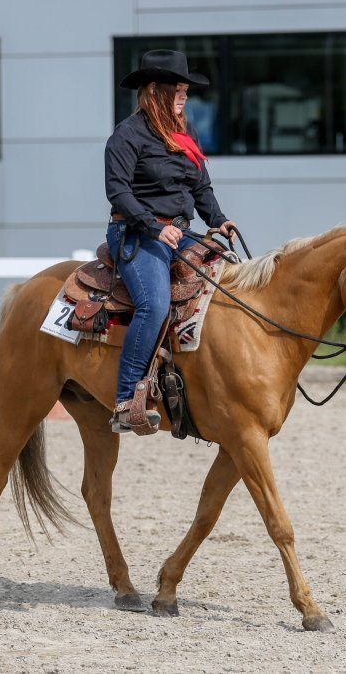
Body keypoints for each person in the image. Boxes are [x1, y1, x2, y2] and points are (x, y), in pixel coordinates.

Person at [105, 49, 237, 434]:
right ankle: (126, 400)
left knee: (229, 283)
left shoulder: (184, 135)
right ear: (154, 92)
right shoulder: (127, 135)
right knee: (155, 304)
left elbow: (201, 186)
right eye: (177, 90)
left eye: (185, 91)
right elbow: (118, 191)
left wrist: (219, 220)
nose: (184, 97)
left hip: (180, 232)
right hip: (136, 232)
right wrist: (153, 226)